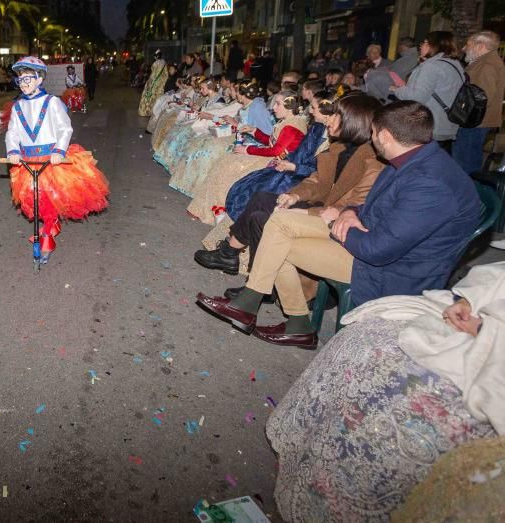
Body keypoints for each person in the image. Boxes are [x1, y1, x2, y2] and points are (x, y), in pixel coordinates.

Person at [197, 100, 481, 348]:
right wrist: (350, 212)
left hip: (387, 269)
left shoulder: (430, 184)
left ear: (385, 135)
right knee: (277, 222)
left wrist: (343, 223)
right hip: (363, 232)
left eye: (373, 134)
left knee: (277, 241)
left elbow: (379, 250)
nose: (371, 140)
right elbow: (371, 203)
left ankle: (288, 320)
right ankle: (260, 308)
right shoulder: (413, 158)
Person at [266, 261, 504, 521]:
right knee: (362, 342)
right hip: (473, 310)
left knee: (406, 403)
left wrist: (486, 331)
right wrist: (469, 301)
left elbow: (382, 245)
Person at [196, 92, 381, 274]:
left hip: (329, 216)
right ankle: (230, 253)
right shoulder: (340, 147)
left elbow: (350, 206)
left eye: (335, 114)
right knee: (260, 197)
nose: (328, 118)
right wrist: (294, 196)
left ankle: (253, 277)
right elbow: (317, 179)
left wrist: (303, 204)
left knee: (261, 212)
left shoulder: (370, 160)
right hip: (316, 200)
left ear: (353, 121)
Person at [4, 57, 109, 265]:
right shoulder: (17, 107)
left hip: (50, 159)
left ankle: (47, 236)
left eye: (28, 79)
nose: (24, 84)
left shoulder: (52, 102)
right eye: (20, 80)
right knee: (33, 198)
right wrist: (13, 150)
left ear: (39, 78)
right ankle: (48, 225)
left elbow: (65, 128)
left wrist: (59, 150)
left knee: (50, 198)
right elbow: (12, 132)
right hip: (28, 160)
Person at [186, 91, 308, 224]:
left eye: (278, 104)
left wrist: (248, 150)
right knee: (227, 161)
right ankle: (208, 208)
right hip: (270, 157)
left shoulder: (292, 126)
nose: (274, 108)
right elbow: (272, 141)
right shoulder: (288, 121)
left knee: (229, 168)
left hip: (275, 164)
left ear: (290, 107)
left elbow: (276, 151)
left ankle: (217, 210)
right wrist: (254, 131)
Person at [391, 31, 465, 147]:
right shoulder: (455, 64)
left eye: (424, 42)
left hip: (428, 126)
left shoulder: (432, 66)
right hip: (446, 124)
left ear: (434, 45)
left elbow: (416, 97)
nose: (420, 45)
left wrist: (397, 89)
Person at [453, 30, 505, 173]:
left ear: (480, 46)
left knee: (465, 162)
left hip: (475, 122)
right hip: (477, 122)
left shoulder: (486, 65)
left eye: (468, 44)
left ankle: (465, 192)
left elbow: (481, 97)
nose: (464, 48)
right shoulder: (487, 62)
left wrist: (462, 112)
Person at [137, 49, 169, 117]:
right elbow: (166, 74)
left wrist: (149, 82)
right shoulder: (164, 62)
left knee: (149, 96)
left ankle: (147, 111)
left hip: (154, 82)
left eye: (155, 56)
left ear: (156, 56)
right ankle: (158, 111)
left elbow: (153, 75)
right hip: (161, 83)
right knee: (158, 97)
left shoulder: (155, 63)